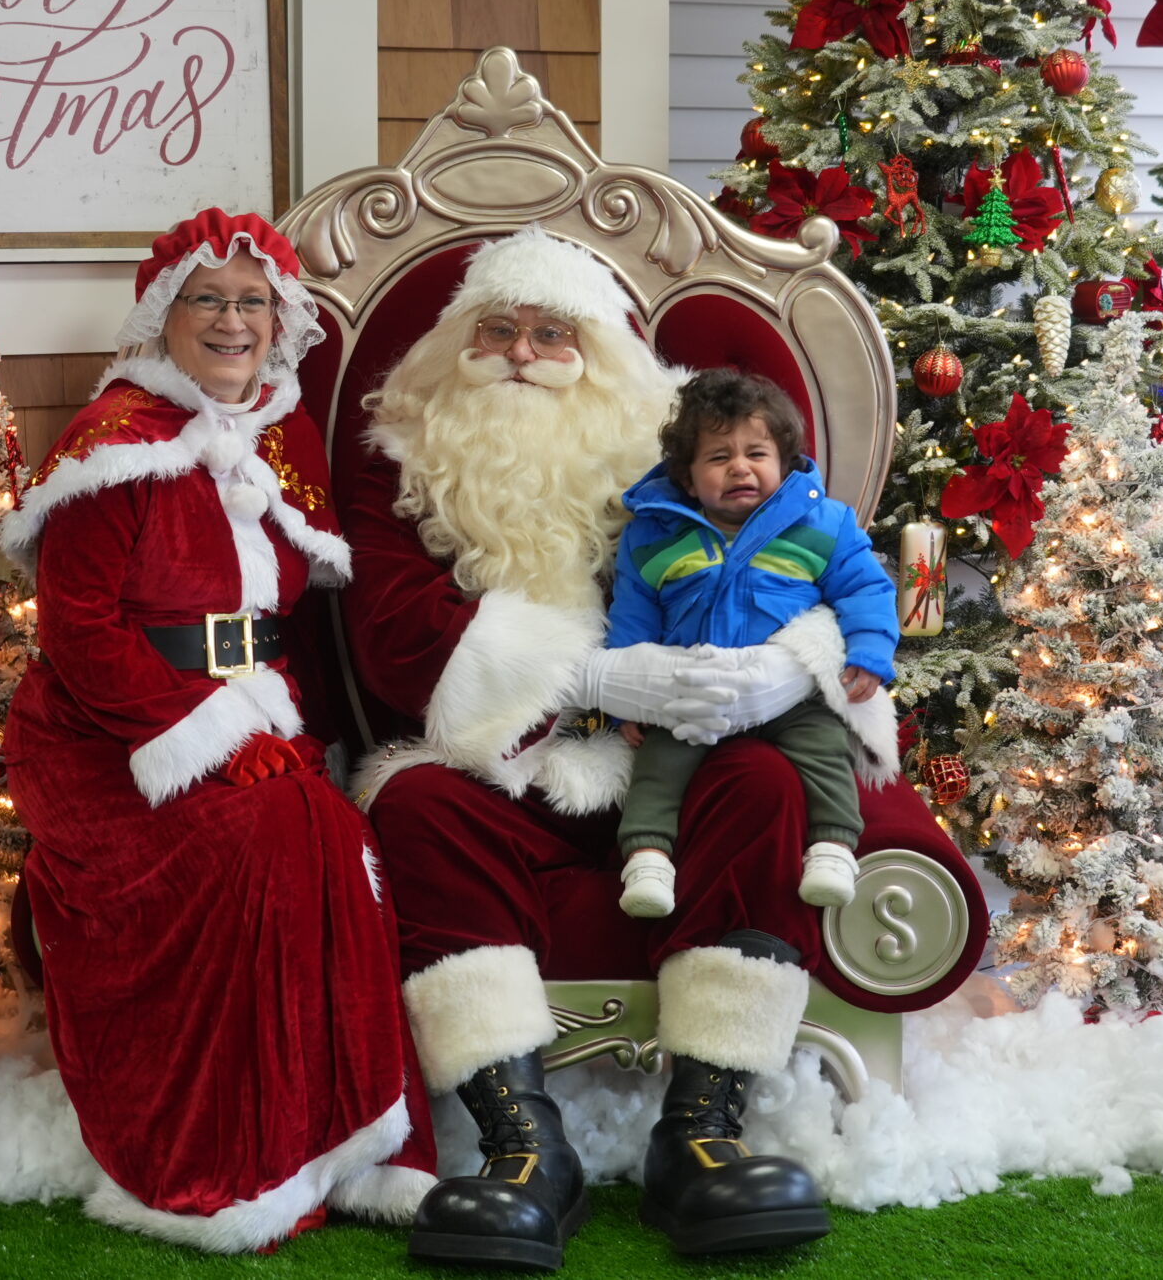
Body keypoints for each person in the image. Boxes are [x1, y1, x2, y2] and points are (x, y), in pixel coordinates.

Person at [345, 227, 889, 1266]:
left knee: (768, 782)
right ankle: (522, 1147)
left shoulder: (683, 438)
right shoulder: (407, 454)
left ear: (600, 353)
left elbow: (816, 554)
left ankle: (702, 1133)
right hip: (504, 766)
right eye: (497, 329)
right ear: (456, 343)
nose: (520, 353)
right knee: (415, 807)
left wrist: (789, 663)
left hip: (678, 761)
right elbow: (391, 634)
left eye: (553, 333)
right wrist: (587, 677)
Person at [0, 208, 434, 1250]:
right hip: (110, 738)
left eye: (252, 302)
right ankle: (233, 1163)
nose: (233, 322)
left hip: (254, 713)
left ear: (279, 321)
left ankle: (356, 1143)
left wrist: (284, 732)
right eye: (208, 300)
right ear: (166, 314)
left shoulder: (284, 438)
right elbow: (80, 633)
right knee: (266, 840)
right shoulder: (112, 442)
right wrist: (211, 736)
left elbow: (294, 622)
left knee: (336, 837)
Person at [607, 369, 899, 922]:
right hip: (693, 690)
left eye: (756, 453)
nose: (739, 467)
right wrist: (628, 699)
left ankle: (833, 848)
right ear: (688, 478)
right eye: (718, 457)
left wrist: (869, 654)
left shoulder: (823, 523)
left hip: (790, 695)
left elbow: (866, 589)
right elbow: (632, 616)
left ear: (783, 462)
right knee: (658, 766)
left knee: (826, 745)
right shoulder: (654, 535)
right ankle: (647, 859)